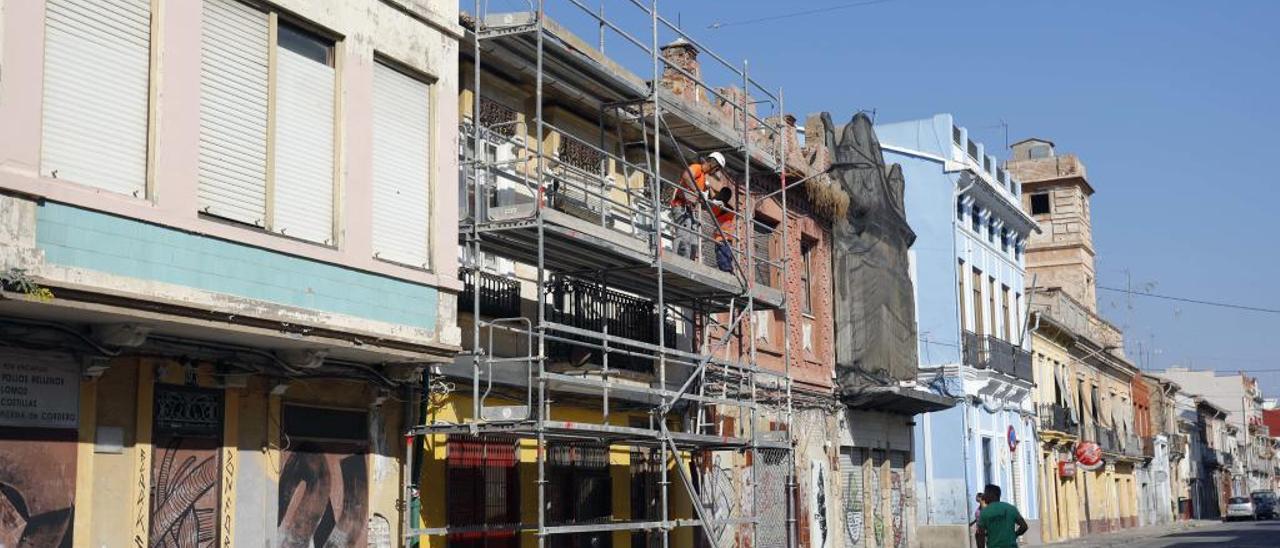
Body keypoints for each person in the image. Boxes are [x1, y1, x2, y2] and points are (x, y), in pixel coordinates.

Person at [671, 152, 725, 260]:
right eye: (717, 168)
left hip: (690, 209)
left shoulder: (704, 179)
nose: (716, 171)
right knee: (684, 237)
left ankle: (689, 263)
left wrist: (713, 202)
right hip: (681, 206)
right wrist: (698, 191)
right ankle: (679, 261)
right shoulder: (697, 168)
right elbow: (686, 176)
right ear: (713, 163)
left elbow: (702, 199)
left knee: (694, 241)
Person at [975, 484, 1028, 548]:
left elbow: (980, 535)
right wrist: (1014, 535)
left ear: (990, 495)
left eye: (985, 493)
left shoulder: (984, 512)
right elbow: (1024, 526)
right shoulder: (1011, 508)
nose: (984, 497)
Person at [709, 186, 735, 273]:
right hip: (728, 237)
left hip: (721, 237)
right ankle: (729, 272)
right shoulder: (730, 209)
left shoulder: (719, 207)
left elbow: (713, 202)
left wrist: (711, 192)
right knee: (727, 258)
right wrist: (711, 189)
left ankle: (727, 272)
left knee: (723, 259)